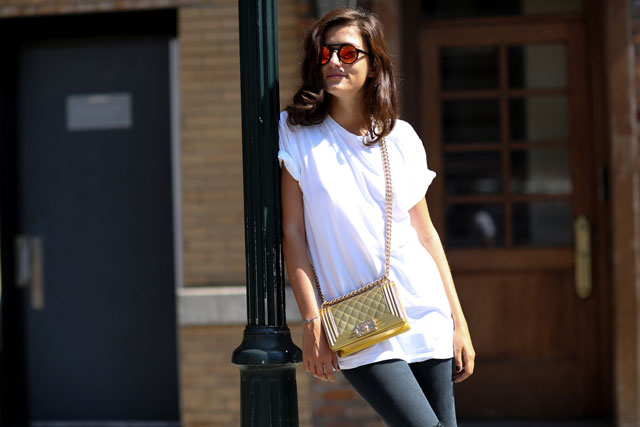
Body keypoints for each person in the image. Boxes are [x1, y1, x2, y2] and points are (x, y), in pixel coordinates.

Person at [278, 7, 474, 427]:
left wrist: (458, 323)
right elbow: (292, 233)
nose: (334, 61)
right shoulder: (295, 134)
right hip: (357, 322)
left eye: (348, 53)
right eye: (325, 53)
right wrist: (312, 322)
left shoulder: (400, 137)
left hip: (424, 311)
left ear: (374, 64)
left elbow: (426, 235)